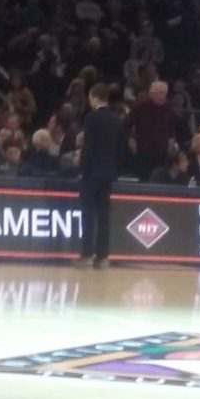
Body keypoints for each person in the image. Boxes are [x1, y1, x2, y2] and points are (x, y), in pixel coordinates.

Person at [76, 82, 126, 269]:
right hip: (108, 174)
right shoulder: (117, 119)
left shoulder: (92, 118)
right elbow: (122, 150)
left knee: (88, 214)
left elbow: (88, 148)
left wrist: (82, 169)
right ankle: (103, 256)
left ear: (94, 96)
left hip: (91, 173)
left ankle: (87, 254)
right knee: (104, 215)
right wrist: (115, 170)